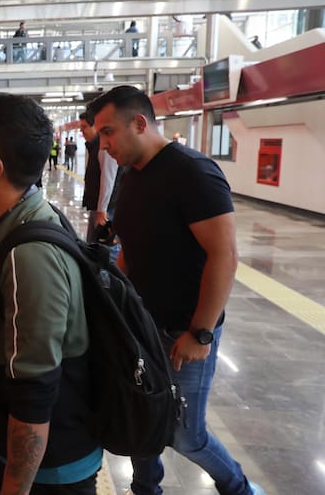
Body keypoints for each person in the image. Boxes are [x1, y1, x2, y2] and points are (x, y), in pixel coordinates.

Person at [86, 86, 264, 495]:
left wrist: (200, 333)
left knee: (186, 433)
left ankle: (238, 487)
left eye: (109, 132)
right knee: (141, 413)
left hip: (185, 329)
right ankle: (146, 489)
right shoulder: (132, 176)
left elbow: (224, 255)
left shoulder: (193, 172)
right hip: (144, 325)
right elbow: (129, 247)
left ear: (140, 123)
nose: (105, 144)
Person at [0, 90, 100, 495]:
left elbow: (35, 394)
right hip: (7, 446)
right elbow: (39, 333)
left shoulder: (28, 254)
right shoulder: (18, 221)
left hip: (48, 471)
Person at [78, 111, 119, 244]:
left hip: (106, 208)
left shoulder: (103, 147)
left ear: (94, 127)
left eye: (84, 127)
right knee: (93, 244)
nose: (81, 131)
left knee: (103, 245)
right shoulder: (94, 146)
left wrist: (102, 210)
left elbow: (108, 179)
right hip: (98, 205)